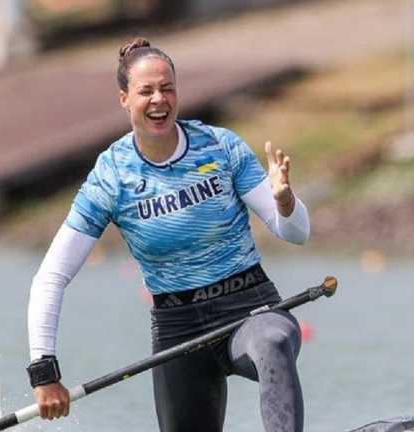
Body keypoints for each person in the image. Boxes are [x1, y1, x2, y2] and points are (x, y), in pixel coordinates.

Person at [26, 37, 311, 432]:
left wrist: (284, 202)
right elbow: (51, 277)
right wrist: (44, 371)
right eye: (146, 91)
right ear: (124, 98)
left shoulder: (220, 146)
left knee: (273, 343)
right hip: (178, 328)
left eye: (168, 87)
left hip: (250, 308)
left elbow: (296, 234)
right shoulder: (112, 176)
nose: (159, 99)